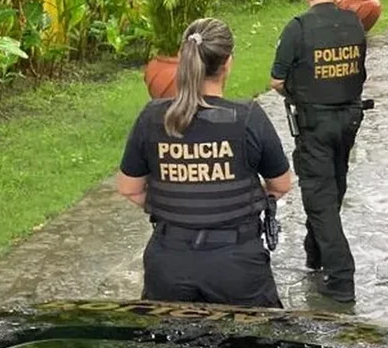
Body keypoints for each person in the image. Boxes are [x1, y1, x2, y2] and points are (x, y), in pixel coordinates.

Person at [117, 17, 293, 308]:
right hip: (237, 265)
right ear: (227, 63)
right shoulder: (247, 117)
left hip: (169, 262)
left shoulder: (152, 117)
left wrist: (176, 203)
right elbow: (281, 184)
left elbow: (130, 189)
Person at [270, 0, 367, 304]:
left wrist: (300, 92)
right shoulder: (354, 23)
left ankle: (340, 277)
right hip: (349, 119)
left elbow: (277, 80)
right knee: (334, 187)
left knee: (319, 197)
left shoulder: (298, 28)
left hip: (315, 124)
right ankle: (316, 253)